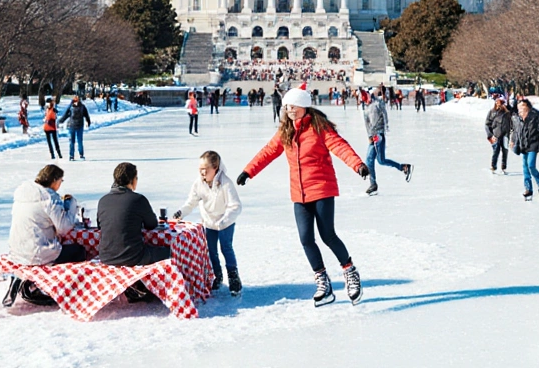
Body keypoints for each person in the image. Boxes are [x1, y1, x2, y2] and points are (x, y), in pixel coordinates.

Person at [238, 83, 369, 306]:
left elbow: (340, 146)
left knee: (328, 235)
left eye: (293, 106)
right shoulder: (285, 131)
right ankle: (323, 282)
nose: (289, 110)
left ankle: (350, 272)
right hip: (299, 193)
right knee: (306, 239)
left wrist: (358, 165)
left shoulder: (319, 127)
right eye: (287, 106)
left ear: (304, 107)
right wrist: (248, 170)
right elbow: (268, 152)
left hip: (322, 187)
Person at [4, 164, 89, 307]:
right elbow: (64, 227)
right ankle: (59, 288)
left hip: (17, 252)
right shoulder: (48, 198)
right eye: (61, 181)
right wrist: (71, 204)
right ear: (55, 180)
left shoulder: (23, 195)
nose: (60, 184)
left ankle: (19, 280)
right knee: (79, 251)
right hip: (38, 253)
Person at [97, 162, 171, 303]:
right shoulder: (138, 199)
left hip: (106, 256)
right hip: (133, 256)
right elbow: (152, 224)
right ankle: (151, 289)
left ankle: (135, 286)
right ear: (132, 180)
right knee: (167, 252)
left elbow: (100, 226)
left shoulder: (103, 200)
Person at [173, 150, 243, 296]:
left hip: (225, 222)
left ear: (215, 167)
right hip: (209, 223)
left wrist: (225, 220)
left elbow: (235, 206)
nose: (202, 173)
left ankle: (233, 277)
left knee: (226, 248)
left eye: (205, 170)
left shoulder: (226, 183)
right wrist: (181, 213)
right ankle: (216, 276)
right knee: (211, 250)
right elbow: (191, 202)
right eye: (200, 170)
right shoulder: (199, 183)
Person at [363, 85, 412, 195]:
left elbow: (382, 118)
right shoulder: (367, 107)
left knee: (375, 160)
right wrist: (369, 136)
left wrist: (378, 133)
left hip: (378, 135)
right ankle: (374, 184)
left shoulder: (377, 104)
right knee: (375, 160)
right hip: (373, 136)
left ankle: (402, 167)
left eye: (366, 94)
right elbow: (367, 124)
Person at [512, 99, 539, 200]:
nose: (520, 108)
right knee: (525, 168)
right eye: (519, 106)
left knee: (531, 165)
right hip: (523, 144)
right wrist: (513, 141)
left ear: (527, 106)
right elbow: (515, 130)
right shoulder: (516, 117)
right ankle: (528, 189)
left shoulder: (535, 114)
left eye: (522, 105)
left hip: (533, 143)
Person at [58, 94, 90, 161]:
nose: (77, 101)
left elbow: (86, 115)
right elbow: (66, 115)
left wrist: (88, 121)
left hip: (79, 126)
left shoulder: (82, 107)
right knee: (72, 142)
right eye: (75, 99)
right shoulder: (71, 107)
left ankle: (81, 155)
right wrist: (60, 121)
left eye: (78, 99)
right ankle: (71, 156)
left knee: (80, 141)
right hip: (71, 126)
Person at [485, 97, 512, 174]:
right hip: (496, 135)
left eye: (501, 102)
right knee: (496, 151)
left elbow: (513, 119)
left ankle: (503, 167)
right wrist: (490, 135)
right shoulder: (492, 112)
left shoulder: (507, 112)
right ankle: (493, 167)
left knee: (505, 151)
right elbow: (487, 124)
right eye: (498, 102)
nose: (499, 104)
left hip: (505, 135)